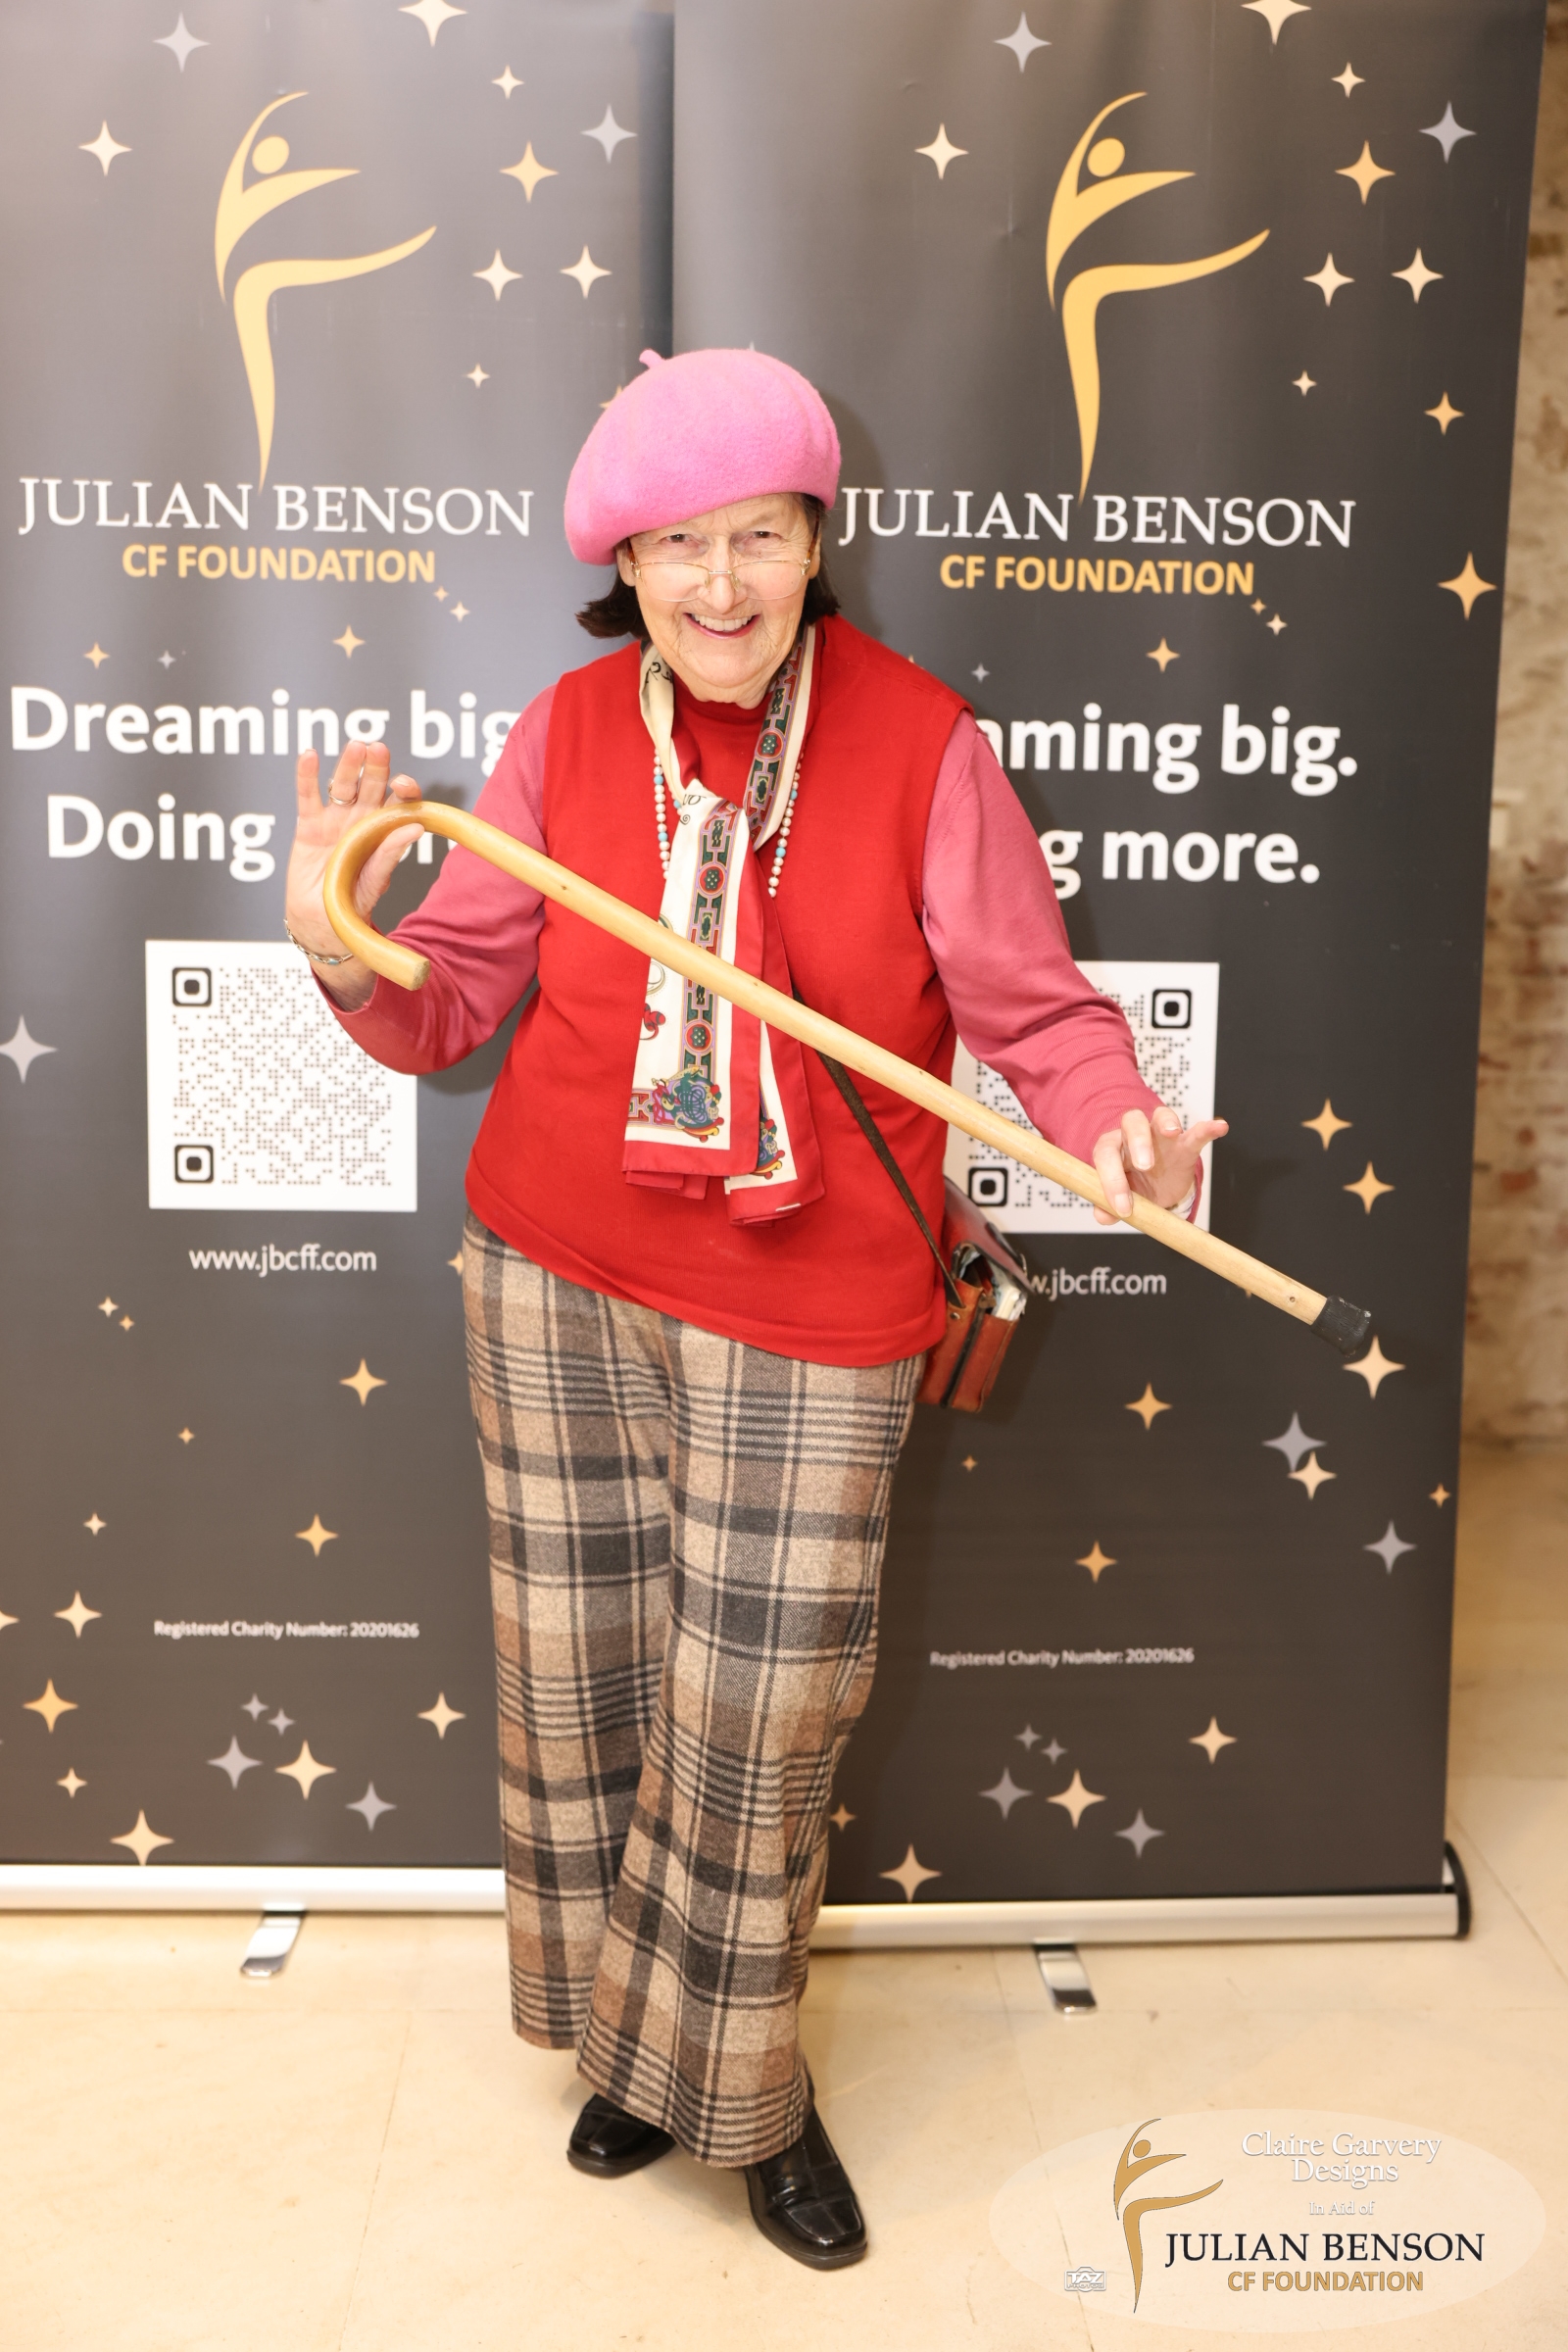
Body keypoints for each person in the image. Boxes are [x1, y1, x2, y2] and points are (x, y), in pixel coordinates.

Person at [282, 347, 1223, 2269]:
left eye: (761, 537)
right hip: (552, 1268)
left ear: (815, 542)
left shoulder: (923, 741)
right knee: (584, 1684)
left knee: (762, 1713)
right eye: (679, 546)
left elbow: (1036, 1013)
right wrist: (340, 948)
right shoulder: (562, 734)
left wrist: (1118, 1125)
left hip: (816, 1296)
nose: (721, 584)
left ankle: (748, 2096)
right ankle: (639, 2058)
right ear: (622, 565)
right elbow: (447, 1005)